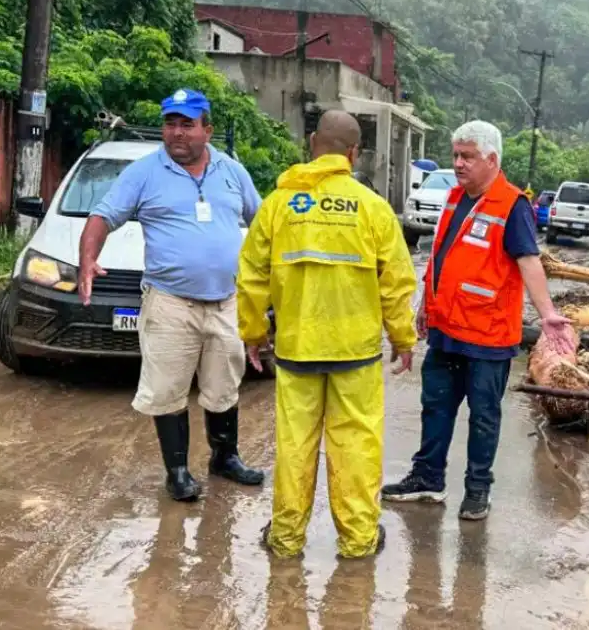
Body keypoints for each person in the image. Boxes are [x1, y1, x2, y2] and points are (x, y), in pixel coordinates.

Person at [236, 110, 417, 559]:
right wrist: (403, 338)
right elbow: (396, 280)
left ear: (312, 143)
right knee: (356, 447)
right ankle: (358, 543)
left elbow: (252, 275)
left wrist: (254, 333)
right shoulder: (372, 208)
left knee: (295, 446)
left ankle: (285, 539)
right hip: (355, 353)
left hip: (297, 349)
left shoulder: (278, 204)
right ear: (354, 154)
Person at [78, 88, 265, 502]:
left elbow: (263, 221)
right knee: (168, 389)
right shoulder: (143, 173)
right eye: (170, 124)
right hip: (169, 302)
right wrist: (87, 260)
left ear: (207, 129)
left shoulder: (232, 172)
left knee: (223, 385)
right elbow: (101, 217)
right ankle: (178, 471)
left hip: (226, 301)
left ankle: (224, 457)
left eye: (186, 124)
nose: (177, 133)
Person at [382, 120, 574, 521]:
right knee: (435, 407)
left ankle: (477, 490)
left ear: (492, 159)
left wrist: (548, 314)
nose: (458, 164)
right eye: (456, 155)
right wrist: (424, 307)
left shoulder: (512, 205)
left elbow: (529, 261)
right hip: (447, 332)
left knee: (484, 417)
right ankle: (428, 479)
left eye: (467, 156)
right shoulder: (454, 198)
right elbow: (442, 258)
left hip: (488, 339)